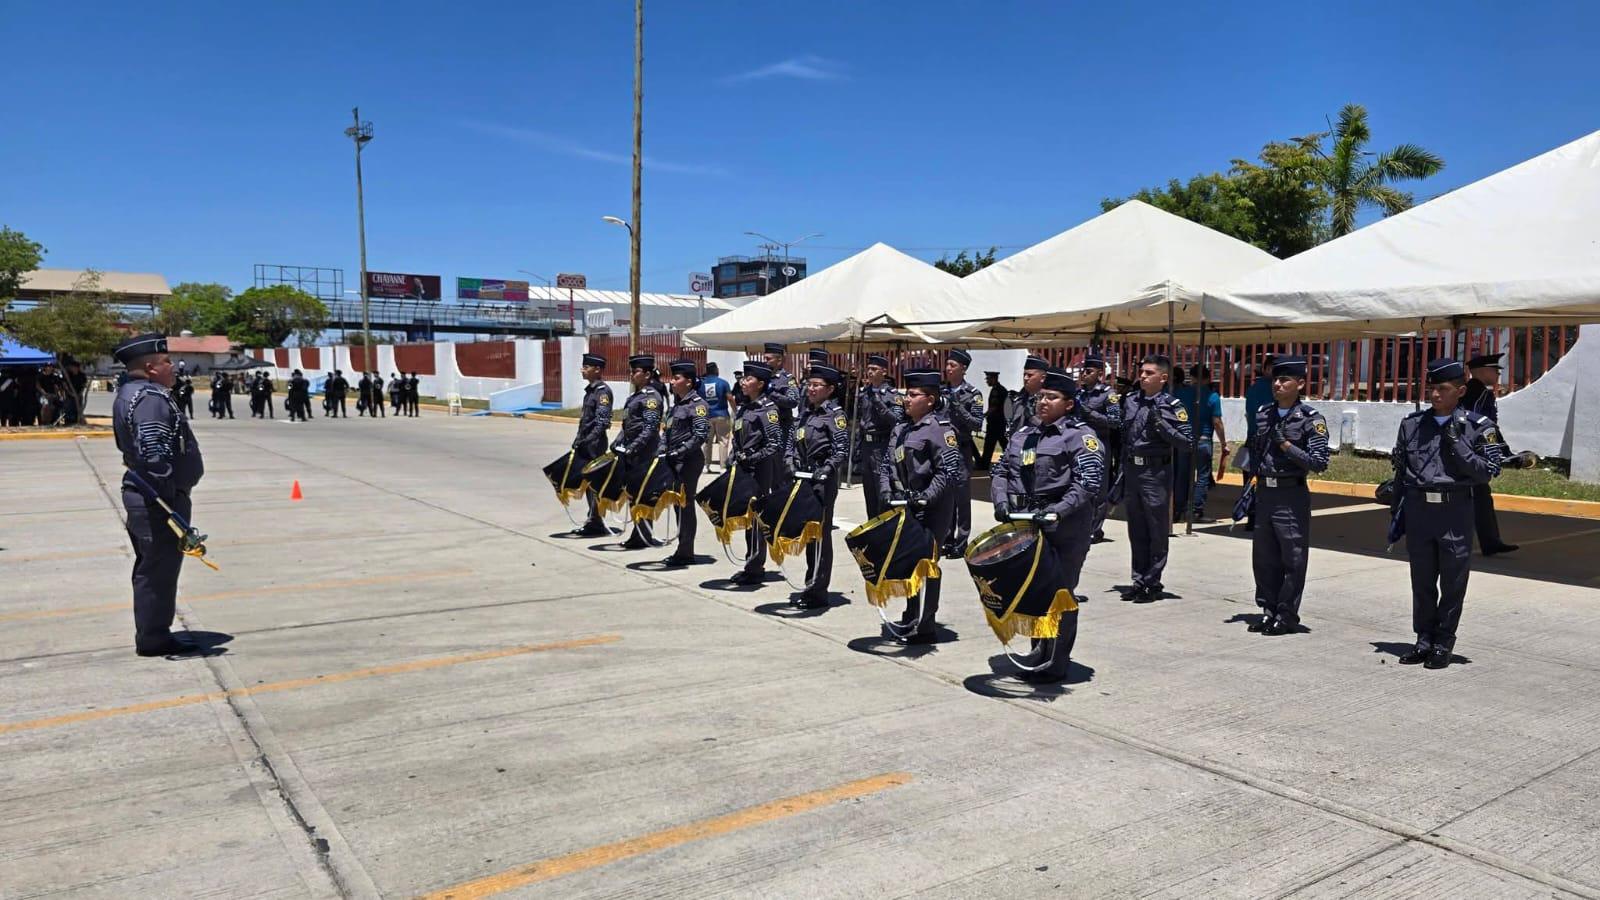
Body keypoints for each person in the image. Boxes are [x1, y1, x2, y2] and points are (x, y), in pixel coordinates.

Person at [991, 366, 1105, 681]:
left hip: (1065, 529)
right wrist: (1001, 501)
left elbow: (1088, 482)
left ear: (1068, 404)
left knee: (1060, 594)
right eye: (1041, 396)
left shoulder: (1080, 437)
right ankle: (1038, 651)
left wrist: (1057, 510)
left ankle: (1056, 660)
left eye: (1052, 398)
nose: (1043, 402)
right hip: (1028, 525)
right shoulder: (1024, 434)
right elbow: (1000, 470)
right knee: (1034, 592)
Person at [1390, 358, 1504, 670]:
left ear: (1461, 391)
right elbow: (1401, 473)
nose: (1436, 394)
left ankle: (1443, 641)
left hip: (1454, 511)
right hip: (1419, 511)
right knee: (1422, 580)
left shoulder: (1479, 427)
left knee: (1453, 581)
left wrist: (1457, 444)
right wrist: (1395, 515)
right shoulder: (1412, 425)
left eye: (1444, 389)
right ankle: (1423, 639)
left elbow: (1487, 472)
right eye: (1432, 388)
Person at [110, 334, 205, 657]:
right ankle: (154, 638)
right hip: (157, 499)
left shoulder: (133, 393)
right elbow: (153, 455)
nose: (172, 367)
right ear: (151, 368)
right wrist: (168, 501)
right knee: (158, 571)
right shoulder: (149, 398)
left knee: (155, 568)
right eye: (166, 362)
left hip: (151, 495)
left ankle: (153, 631)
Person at [1243, 357, 1330, 636]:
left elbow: (1319, 462)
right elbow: (1255, 449)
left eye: (1285, 380)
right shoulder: (1263, 413)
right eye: (1275, 380)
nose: (1278, 385)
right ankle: (1268, 610)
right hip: (1265, 492)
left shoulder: (1310, 419)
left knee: (1292, 558)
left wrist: (1286, 445)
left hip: (1290, 493)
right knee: (1264, 557)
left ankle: (1287, 614)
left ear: (1300, 383)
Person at [878, 368, 964, 643]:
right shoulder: (901, 428)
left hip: (932, 508)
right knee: (910, 563)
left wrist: (926, 496)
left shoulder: (940, 430)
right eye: (907, 393)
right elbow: (887, 463)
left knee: (927, 564)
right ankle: (911, 614)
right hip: (906, 504)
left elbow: (948, 470)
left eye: (914, 395)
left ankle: (926, 623)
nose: (907, 399)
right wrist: (885, 490)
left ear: (930, 399)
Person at [1117, 354, 1193, 603]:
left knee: (1156, 529)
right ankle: (1138, 580)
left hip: (1155, 473)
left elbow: (1186, 441)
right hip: (1132, 471)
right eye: (1142, 372)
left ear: (1163, 378)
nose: (1142, 376)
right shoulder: (1130, 401)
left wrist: (1162, 427)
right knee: (1136, 529)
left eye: (1149, 373)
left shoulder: (1172, 405)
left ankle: (1153, 581)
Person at [789, 362, 851, 607]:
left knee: (821, 535)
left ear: (830, 389)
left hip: (822, 481)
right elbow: (792, 443)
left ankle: (818, 589)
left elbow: (841, 449)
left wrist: (826, 469)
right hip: (803, 479)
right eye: (809, 384)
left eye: (816, 385)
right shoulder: (806, 413)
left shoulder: (835, 416)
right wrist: (790, 463)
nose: (810, 389)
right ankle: (810, 583)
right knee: (809, 534)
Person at [729, 360, 785, 585]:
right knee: (747, 517)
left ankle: (756, 567)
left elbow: (774, 444)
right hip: (744, 468)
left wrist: (751, 458)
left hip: (759, 469)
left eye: (749, 379)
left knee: (755, 518)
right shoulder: (745, 407)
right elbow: (737, 436)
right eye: (743, 378)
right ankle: (750, 563)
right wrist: (735, 456)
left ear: (760, 384)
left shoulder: (768, 410)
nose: (743, 382)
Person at [1464, 352, 1517, 555]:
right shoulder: (1480, 394)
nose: (1497, 374)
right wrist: (1501, 451)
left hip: (1465, 452)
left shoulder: (1467, 391)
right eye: (1495, 370)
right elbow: (1483, 427)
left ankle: (1491, 541)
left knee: (1480, 497)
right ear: (1483, 371)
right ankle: (1489, 542)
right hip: (1474, 454)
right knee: (1478, 497)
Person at [611, 354, 663, 550]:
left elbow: (650, 428)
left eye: (635, 371)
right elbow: (627, 425)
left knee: (643, 494)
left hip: (644, 453)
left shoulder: (651, 398)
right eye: (631, 371)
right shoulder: (635, 396)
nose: (631, 375)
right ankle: (638, 532)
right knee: (634, 494)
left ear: (647, 374)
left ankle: (644, 534)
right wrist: (618, 442)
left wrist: (633, 447)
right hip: (631, 453)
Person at [661, 360, 709, 566]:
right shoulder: (675, 406)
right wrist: (662, 450)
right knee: (677, 506)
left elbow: (700, 435)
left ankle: (686, 551)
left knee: (685, 504)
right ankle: (682, 547)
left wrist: (679, 452)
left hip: (688, 461)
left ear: (688, 382)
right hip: (673, 460)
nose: (672, 382)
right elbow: (667, 432)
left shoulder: (698, 405)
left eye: (676, 378)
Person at [940, 349, 985, 558]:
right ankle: (946, 538)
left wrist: (958, 407)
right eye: (947, 364)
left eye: (953, 365)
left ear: (963, 368)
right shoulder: (941, 390)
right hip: (942, 450)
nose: (948, 369)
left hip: (961, 450)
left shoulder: (973, 394)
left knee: (961, 498)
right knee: (946, 496)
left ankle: (961, 541)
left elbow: (977, 424)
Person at [1174, 365, 1226, 523]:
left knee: (1182, 475)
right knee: (1202, 476)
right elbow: (1217, 422)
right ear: (1208, 378)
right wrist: (1223, 442)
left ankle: (1178, 510)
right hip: (1203, 440)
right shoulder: (1212, 396)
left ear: (1192, 377)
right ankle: (1196, 511)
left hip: (1184, 439)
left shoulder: (1182, 394)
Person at [1075, 354, 1119, 542]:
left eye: (1089, 371)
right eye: (1083, 370)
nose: (1084, 374)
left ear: (1100, 374)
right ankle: (1082, 525)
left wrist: (1091, 414)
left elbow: (1115, 422)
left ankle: (1096, 528)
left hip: (1099, 444)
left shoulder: (1108, 395)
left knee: (1098, 489)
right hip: (1078, 444)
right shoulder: (1079, 393)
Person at [854, 354, 904, 517]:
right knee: (868, 490)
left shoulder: (892, 395)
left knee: (882, 488)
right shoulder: (864, 393)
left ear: (884, 371)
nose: (869, 372)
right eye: (868, 369)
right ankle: (872, 526)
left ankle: (885, 526)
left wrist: (879, 403)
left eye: (874, 369)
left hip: (882, 445)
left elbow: (897, 420)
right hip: (867, 446)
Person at [571, 353, 614, 537]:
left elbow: (602, 422)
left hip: (594, 445)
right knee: (587, 484)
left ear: (597, 370)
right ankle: (593, 519)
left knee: (595, 483)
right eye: (583, 366)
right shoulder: (591, 391)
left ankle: (597, 521)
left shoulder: (602, 392)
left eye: (586, 367)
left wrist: (587, 440)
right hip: (586, 443)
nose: (583, 370)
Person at [1242, 355, 1276, 532]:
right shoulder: (1276, 389)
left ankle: (1250, 515)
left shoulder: (1253, 388)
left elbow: (1248, 415)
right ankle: (1262, 517)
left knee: (1250, 478)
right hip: (1270, 441)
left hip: (1252, 437)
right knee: (1268, 479)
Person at [762, 342, 801, 462]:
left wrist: (772, 394)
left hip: (781, 427)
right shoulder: (762, 376)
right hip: (764, 427)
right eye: (765, 358)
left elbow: (793, 401)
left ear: (779, 360)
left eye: (768, 359)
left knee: (782, 462)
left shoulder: (787, 378)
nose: (765, 361)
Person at [1006, 355, 1049, 442]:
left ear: (1043, 378)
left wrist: (1031, 418)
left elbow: (1050, 431)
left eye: (1030, 375)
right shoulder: (1019, 399)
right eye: (1024, 374)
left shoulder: (1048, 401)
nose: (1025, 378)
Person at [700, 361, 732, 471]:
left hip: (706, 416)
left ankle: (706, 465)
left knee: (706, 441)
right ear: (716, 370)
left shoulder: (701, 383)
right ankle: (722, 467)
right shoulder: (723, 383)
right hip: (722, 414)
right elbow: (730, 398)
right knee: (723, 441)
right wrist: (736, 410)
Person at [979, 371, 1009, 469]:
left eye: (988, 379)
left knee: (989, 444)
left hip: (995, 422)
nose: (987, 381)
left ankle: (984, 464)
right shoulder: (1002, 389)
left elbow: (994, 407)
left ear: (994, 378)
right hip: (1000, 421)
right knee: (1003, 443)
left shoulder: (996, 390)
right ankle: (1011, 460)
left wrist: (984, 415)